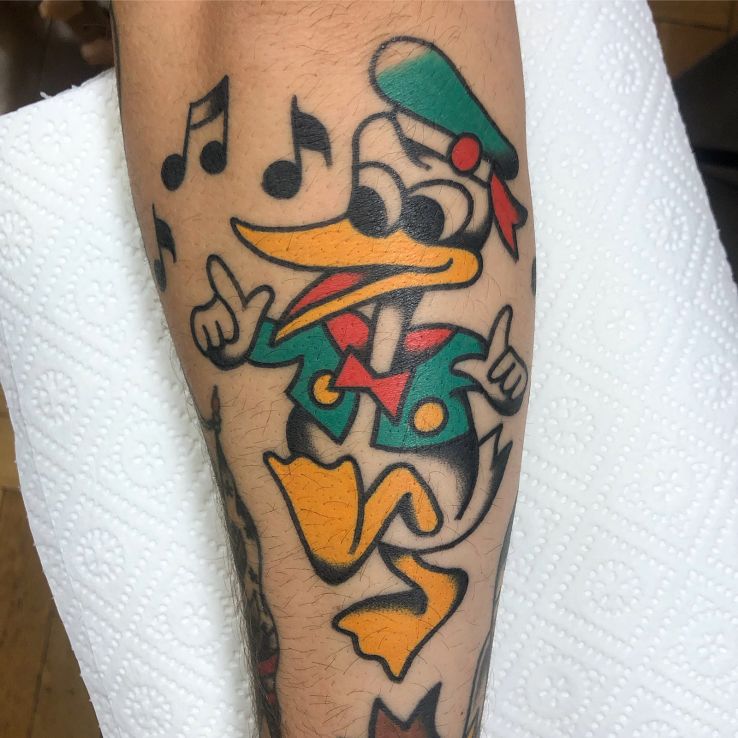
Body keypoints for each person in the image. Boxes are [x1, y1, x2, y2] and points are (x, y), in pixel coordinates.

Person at [114, 3, 535, 736]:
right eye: (372, 205)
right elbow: (273, 346)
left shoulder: (435, 344)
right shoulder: (327, 333)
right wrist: (241, 337)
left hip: (428, 487)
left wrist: (493, 378)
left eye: (413, 214)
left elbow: (328, 22)